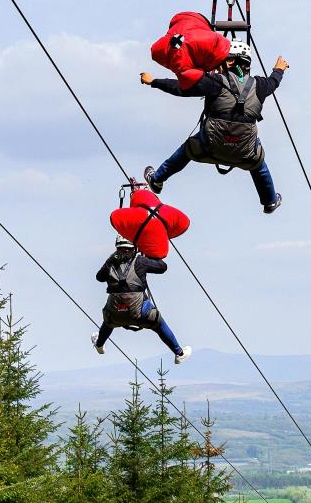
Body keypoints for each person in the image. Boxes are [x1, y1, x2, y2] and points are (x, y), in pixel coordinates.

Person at [140, 42, 288, 213]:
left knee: (188, 148)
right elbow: (274, 81)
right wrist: (279, 69)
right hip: (243, 153)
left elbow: (181, 88)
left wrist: (154, 82)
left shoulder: (215, 82)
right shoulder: (260, 86)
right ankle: (269, 200)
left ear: (231, 62)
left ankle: (157, 179)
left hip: (209, 147)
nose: (217, 66)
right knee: (258, 160)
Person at [93, 238, 189, 362]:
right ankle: (179, 353)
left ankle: (100, 345)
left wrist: (110, 259)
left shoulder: (111, 264)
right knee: (158, 323)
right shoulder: (140, 261)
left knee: (109, 321)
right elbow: (162, 267)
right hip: (139, 312)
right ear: (134, 249)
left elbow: (99, 277)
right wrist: (148, 253)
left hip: (115, 312)